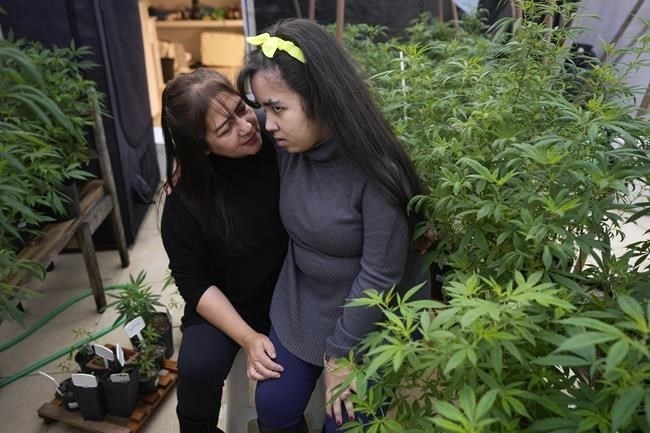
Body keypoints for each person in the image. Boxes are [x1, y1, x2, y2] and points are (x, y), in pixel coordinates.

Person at [237, 18, 432, 433]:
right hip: (303, 301)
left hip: (369, 316)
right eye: (263, 106)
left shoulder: (377, 172)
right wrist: (191, 151)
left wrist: (342, 357)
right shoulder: (289, 142)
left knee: (344, 424)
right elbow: (232, 121)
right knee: (273, 404)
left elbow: (380, 275)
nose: (266, 124)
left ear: (321, 100)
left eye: (277, 108)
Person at [159, 68, 287, 433]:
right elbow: (194, 283)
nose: (246, 127)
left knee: (280, 392)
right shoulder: (184, 199)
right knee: (197, 370)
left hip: (290, 289)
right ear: (201, 146)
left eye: (241, 109)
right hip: (229, 301)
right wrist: (247, 337)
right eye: (224, 130)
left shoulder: (275, 132)